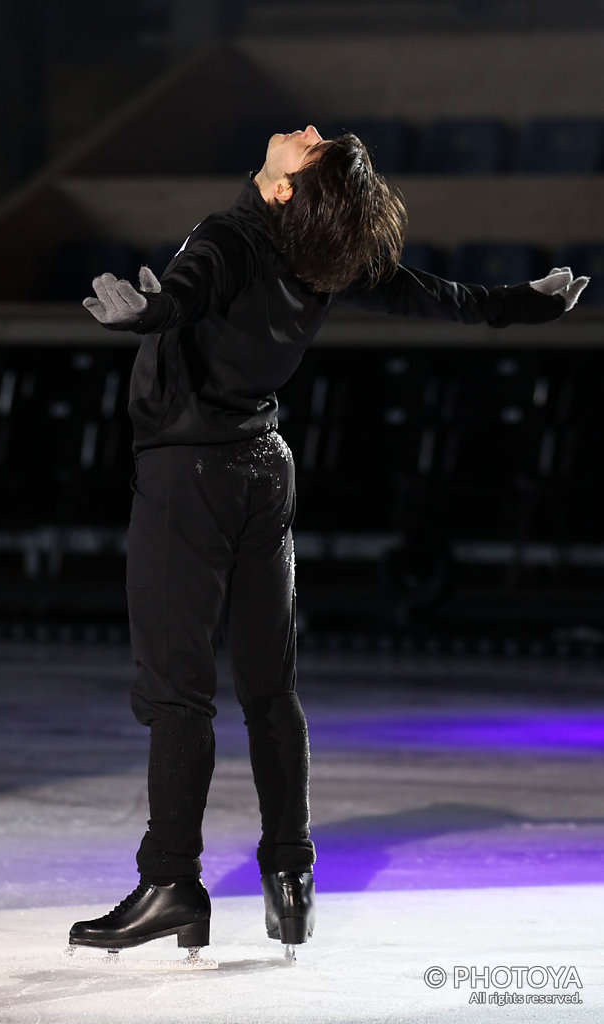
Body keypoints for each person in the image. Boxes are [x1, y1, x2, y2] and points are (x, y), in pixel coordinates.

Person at [67, 125, 589, 960]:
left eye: (311, 151)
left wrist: (149, 312)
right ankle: (289, 876)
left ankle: (171, 883)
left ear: (283, 189)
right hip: (265, 468)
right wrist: (517, 303)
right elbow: (434, 296)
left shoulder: (233, 234)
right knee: (270, 690)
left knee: (177, 694)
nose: (306, 132)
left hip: (191, 477)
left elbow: (191, 290)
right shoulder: (324, 254)